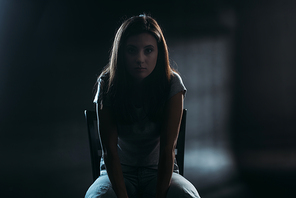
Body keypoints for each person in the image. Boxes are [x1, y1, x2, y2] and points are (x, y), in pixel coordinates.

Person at [85, 14, 200, 198]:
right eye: (132, 50)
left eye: (148, 50)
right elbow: (110, 152)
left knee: (188, 196)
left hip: (159, 171)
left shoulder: (172, 84)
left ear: (158, 53)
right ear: (121, 53)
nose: (140, 59)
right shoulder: (107, 83)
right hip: (117, 173)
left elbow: (167, 150)